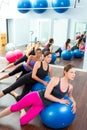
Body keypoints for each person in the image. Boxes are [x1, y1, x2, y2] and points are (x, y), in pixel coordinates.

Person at [0, 64, 76, 125]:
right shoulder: (55, 80)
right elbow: (46, 95)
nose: (74, 74)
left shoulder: (70, 87)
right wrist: (60, 100)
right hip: (35, 97)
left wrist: (74, 103)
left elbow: (70, 96)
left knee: (23, 122)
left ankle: (22, 110)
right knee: (15, 108)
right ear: (65, 72)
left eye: (75, 73)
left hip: (41, 105)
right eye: (71, 72)